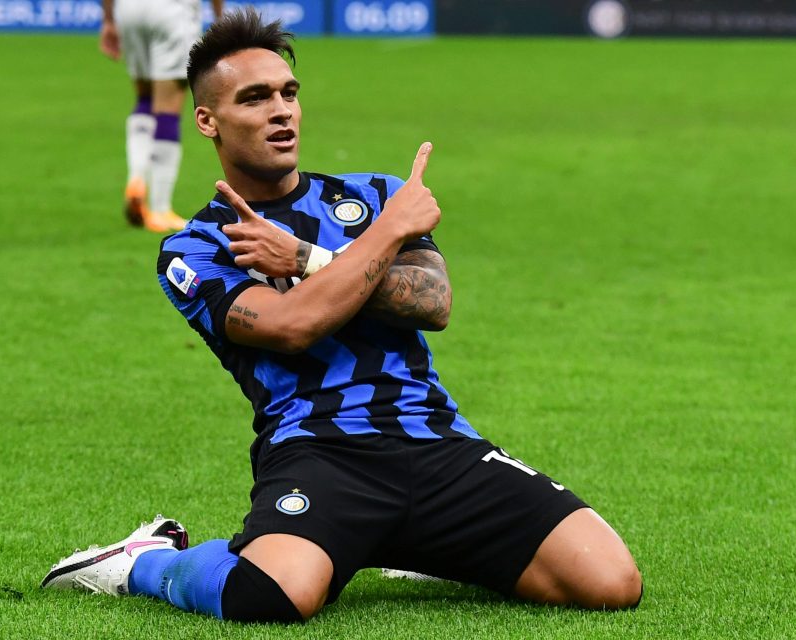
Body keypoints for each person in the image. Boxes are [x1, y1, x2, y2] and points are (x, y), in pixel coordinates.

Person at [42, 9, 643, 622]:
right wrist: (384, 237)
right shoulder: (195, 247)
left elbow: (433, 304)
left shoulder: (372, 198)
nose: (281, 111)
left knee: (610, 583)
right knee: (268, 598)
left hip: (433, 437)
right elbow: (289, 326)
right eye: (254, 99)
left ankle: (419, 542)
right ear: (207, 120)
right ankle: (147, 560)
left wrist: (307, 256)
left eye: (289, 93)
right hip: (319, 449)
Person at [100, 0, 222, 232]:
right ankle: (159, 209)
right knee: (168, 107)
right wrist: (219, 18)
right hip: (171, 11)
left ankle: (137, 178)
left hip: (129, 10)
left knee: (145, 98)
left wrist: (108, 19)